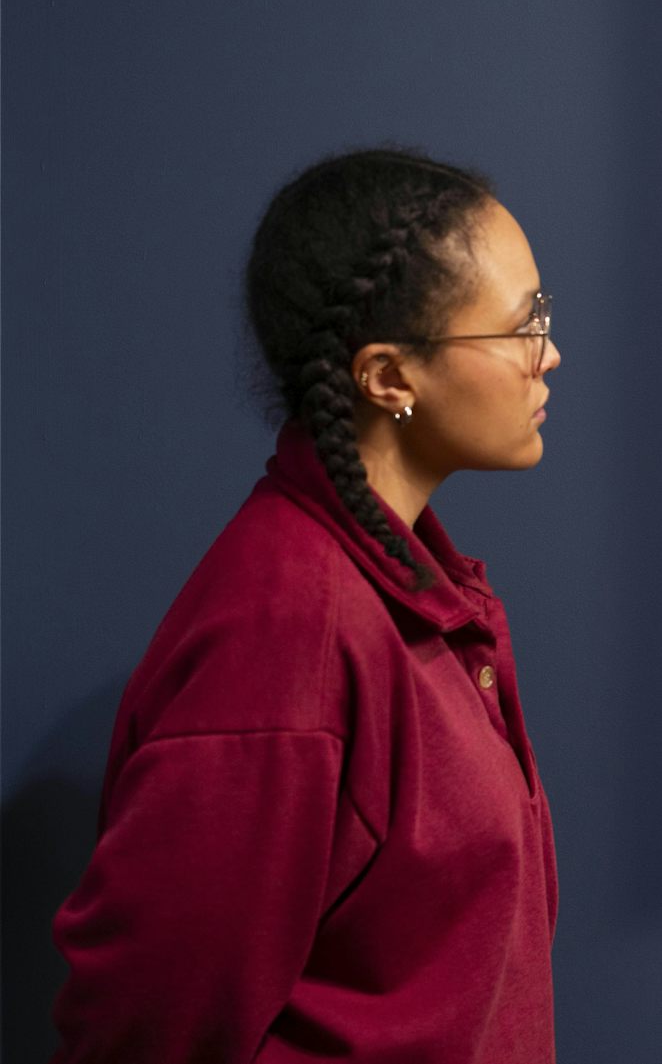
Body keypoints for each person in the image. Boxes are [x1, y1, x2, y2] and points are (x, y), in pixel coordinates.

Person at [51, 150, 563, 1058]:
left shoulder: (410, 596)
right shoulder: (288, 635)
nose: (549, 354)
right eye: (522, 325)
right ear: (388, 377)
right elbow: (143, 1023)